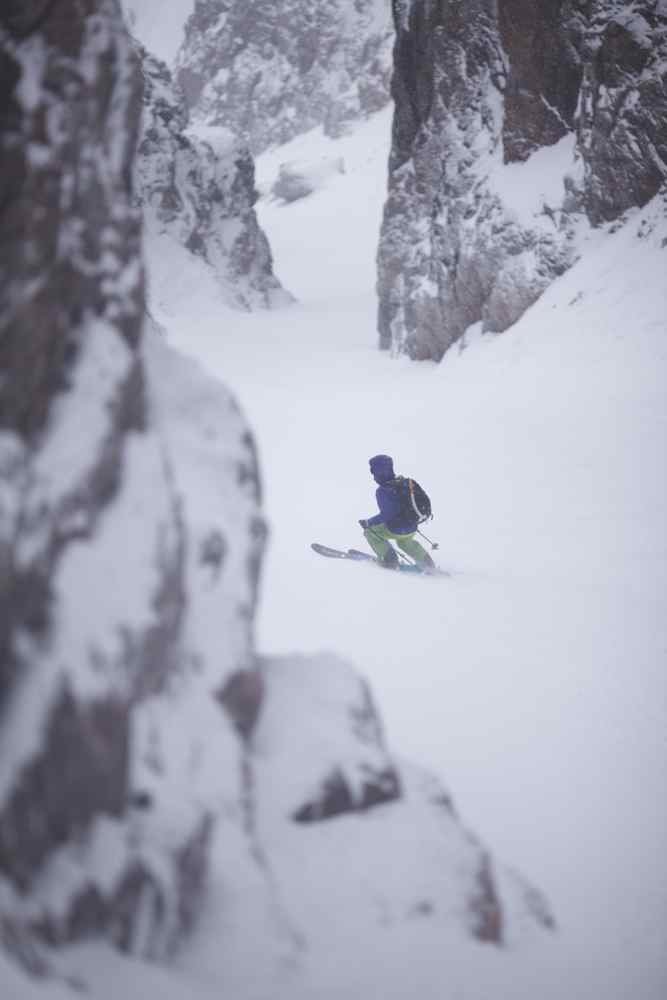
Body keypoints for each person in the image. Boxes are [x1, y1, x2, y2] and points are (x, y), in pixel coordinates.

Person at [358, 454, 436, 571]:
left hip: (396, 528)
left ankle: (389, 560)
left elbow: (388, 514)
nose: (373, 475)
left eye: (373, 471)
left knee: (370, 532)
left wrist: (368, 522)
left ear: (378, 472)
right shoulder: (404, 482)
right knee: (405, 542)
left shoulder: (383, 490)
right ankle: (427, 563)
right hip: (412, 527)